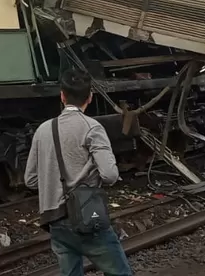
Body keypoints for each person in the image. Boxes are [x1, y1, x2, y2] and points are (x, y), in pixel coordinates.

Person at [25, 68, 132, 276]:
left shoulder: (43, 130)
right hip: (87, 217)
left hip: (55, 220)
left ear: (62, 95)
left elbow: (30, 180)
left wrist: (53, 183)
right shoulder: (93, 128)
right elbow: (110, 175)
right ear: (90, 97)